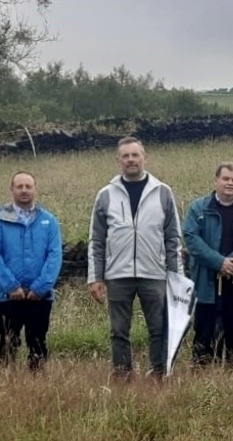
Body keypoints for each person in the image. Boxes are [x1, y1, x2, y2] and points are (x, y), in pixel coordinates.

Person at [87, 136, 184, 380]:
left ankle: (159, 375)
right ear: (118, 160)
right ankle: (122, 375)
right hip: (117, 275)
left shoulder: (163, 192)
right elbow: (97, 241)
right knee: (119, 330)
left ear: (144, 157)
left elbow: (173, 239)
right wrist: (95, 277)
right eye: (126, 156)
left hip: (154, 275)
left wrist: (176, 278)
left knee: (159, 329)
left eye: (135, 155)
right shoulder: (105, 195)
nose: (131, 160)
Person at [182, 161, 233, 367]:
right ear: (216, 180)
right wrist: (218, 262)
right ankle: (202, 374)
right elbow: (191, 238)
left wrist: (231, 263)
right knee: (205, 330)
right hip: (206, 282)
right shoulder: (198, 209)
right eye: (226, 179)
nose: (230, 183)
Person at [0, 171, 63, 372]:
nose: (24, 190)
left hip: (40, 297)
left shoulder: (49, 221)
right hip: (8, 296)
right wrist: (10, 286)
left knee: (38, 342)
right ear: (12, 189)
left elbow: (54, 256)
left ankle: (36, 387)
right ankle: (6, 386)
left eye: (28, 186)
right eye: (20, 186)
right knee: (8, 343)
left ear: (35, 189)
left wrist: (41, 288)